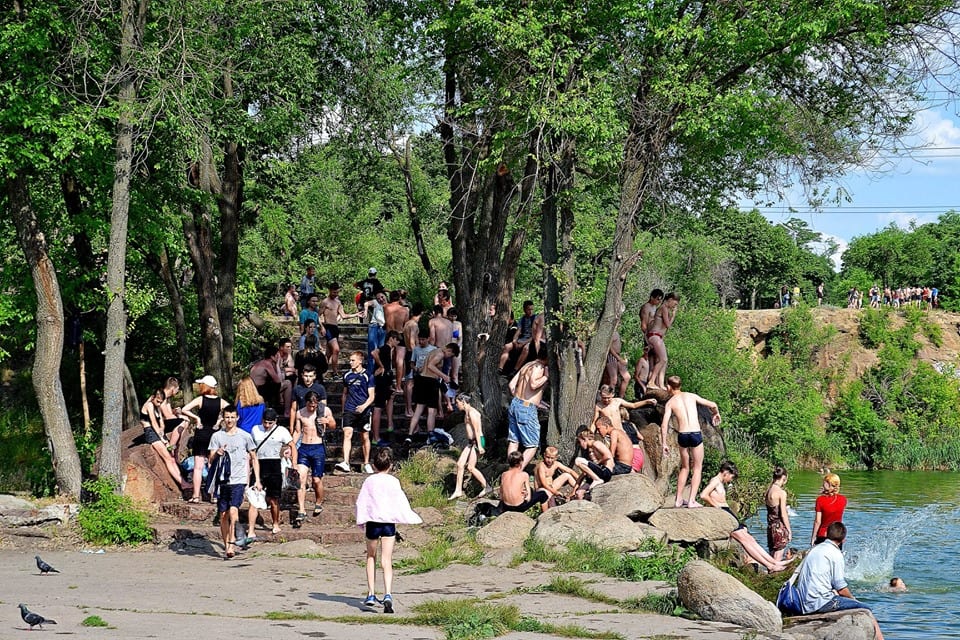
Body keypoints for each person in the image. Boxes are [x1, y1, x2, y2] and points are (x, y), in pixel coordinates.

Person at [355, 447, 422, 614]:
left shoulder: (369, 481)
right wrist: (406, 516)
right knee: (387, 560)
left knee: (371, 556)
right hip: (388, 524)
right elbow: (400, 502)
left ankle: (371, 593)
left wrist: (361, 520)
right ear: (390, 465)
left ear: (374, 464)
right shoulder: (394, 481)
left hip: (372, 523)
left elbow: (361, 502)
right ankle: (388, 594)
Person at [795, 522, 885, 639]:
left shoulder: (815, 549)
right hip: (818, 603)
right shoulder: (835, 554)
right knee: (866, 610)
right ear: (843, 540)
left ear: (827, 534)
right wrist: (854, 600)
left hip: (802, 600)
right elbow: (841, 589)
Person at [700, 461, 788, 573]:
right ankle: (770, 565)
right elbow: (703, 495)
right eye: (731, 476)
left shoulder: (719, 482)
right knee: (744, 540)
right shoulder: (715, 481)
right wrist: (716, 506)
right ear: (726, 472)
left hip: (727, 512)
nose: (731, 480)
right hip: (723, 512)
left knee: (749, 538)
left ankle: (774, 562)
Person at [207, 405, 260, 559]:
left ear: (237, 418)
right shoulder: (217, 437)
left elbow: (254, 458)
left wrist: (257, 480)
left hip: (239, 479)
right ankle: (227, 545)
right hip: (222, 480)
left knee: (233, 510)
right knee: (223, 514)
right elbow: (210, 459)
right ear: (223, 418)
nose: (229, 420)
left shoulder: (245, 436)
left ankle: (231, 542)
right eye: (227, 417)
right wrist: (217, 453)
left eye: (232, 417)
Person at [660, 375, 720, 508]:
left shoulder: (670, 403)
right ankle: (692, 500)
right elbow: (713, 404)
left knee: (685, 467)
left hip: (683, 435)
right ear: (680, 385)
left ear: (669, 387)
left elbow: (664, 424)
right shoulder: (692, 396)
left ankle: (678, 500)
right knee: (697, 467)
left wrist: (664, 443)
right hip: (695, 434)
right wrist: (716, 413)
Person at [180, 375, 228, 503]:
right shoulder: (221, 401)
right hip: (214, 433)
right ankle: (213, 495)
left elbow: (185, 409)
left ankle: (196, 496)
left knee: (198, 467)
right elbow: (232, 411)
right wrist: (220, 420)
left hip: (201, 433)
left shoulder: (201, 400)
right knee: (213, 464)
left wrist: (197, 418)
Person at [292, 390, 336, 526]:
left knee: (316, 480)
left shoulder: (325, 410)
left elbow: (334, 426)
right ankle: (301, 509)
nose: (312, 408)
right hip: (304, 448)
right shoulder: (300, 413)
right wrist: (291, 446)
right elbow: (297, 431)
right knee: (301, 477)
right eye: (310, 405)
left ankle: (318, 501)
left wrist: (328, 421)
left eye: (314, 405)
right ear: (306, 403)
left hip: (318, 448)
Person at [246, 408, 292, 537]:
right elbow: (251, 448)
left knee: (274, 499)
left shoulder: (281, 431)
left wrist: (290, 455)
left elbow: (292, 445)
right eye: (265, 422)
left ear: (275, 422)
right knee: (253, 499)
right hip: (259, 465)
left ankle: (275, 523)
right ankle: (251, 529)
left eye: (270, 423)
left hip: (274, 465)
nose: (267, 425)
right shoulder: (255, 429)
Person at [140, 387, 189, 491]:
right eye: (157, 401)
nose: (159, 404)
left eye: (161, 402)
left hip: (157, 432)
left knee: (171, 458)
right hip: (150, 433)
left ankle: (182, 481)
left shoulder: (156, 406)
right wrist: (163, 440)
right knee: (168, 458)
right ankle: (183, 484)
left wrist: (163, 432)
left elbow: (161, 423)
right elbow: (153, 423)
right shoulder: (149, 405)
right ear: (152, 397)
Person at [506, 350, 549, 470]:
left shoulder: (528, 364)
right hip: (526, 407)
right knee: (532, 445)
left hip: (516, 403)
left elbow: (511, 385)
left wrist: (521, 399)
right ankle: (517, 471)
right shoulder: (539, 367)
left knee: (514, 441)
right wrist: (546, 377)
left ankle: (510, 469)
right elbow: (533, 385)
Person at [407, 341, 457, 437]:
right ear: (449, 351)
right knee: (432, 411)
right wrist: (444, 376)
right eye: (451, 355)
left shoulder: (434, 351)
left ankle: (409, 435)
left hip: (422, 380)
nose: (449, 358)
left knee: (418, 410)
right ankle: (431, 435)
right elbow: (430, 365)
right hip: (430, 382)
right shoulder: (440, 354)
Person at [448, 393, 491, 500]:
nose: (456, 405)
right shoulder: (466, 413)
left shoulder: (472, 413)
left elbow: (477, 430)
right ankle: (458, 490)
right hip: (471, 442)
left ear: (463, 402)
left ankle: (487, 487)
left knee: (470, 467)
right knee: (460, 464)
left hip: (477, 441)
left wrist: (480, 446)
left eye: (457, 403)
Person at [339, 351, 375, 474]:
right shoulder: (347, 376)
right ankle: (346, 462)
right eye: (350, 360)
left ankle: (366, 462)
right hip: (350, 409)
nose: (351, 362)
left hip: (363, 410)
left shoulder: (368, 376)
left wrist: (364, 406)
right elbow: (344, 393)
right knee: (347, 433)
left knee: (364, 436)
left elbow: (371, 396)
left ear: (360, 361)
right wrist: (344, 409)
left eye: (353, 360)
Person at [320, 283, 360, 380]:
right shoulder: (325, 302)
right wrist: (321, 327)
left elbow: (343, 315)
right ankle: (335, 372)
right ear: (329, 290)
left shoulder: (338, 302)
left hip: (335, 328)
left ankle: (321, 371)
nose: (335, 294)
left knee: (329, 353)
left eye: (337, 292)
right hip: (328, 326)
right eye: (334, 292)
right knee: (336, 349)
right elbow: (318, 315)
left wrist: (356, 314)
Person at [371, 331, 400, 445]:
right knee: (378, 408)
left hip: (386, 380)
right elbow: (374, 353)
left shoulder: (390, 351)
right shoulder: (385, 348)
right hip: (381, 381)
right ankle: (376, 437)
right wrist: (381, 366)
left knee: (391, 397)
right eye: (397, 340)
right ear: (391, 339)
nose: (398, 342)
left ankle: (389, 424)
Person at [498, 300, 543, 374]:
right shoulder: (522, 319)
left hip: (531, 340)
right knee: (507, 346)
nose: (531, 311)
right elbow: (518, 331)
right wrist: (515, 341)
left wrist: (524, 343)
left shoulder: (536, 319)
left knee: (526, 349)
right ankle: (500, 368)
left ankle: (515, 370)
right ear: (524, 309)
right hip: (522, 339)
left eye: (532, 309)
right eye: (529, 309)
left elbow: (535, 336)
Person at [499, 450, 549, 514]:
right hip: (519, 507)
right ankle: (545, 516)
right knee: (543, 494)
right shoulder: (524, 474)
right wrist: (525, 496)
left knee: (529, 490)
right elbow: (528, 497)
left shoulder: (504, 474)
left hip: (506, 506)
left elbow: (501, 495)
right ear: (520, 462)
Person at [646, 292, 678, 390]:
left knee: (664, 360)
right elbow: (668, 325)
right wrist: (673, 316)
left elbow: (664, 329)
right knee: (663, 359)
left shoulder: (665, 309)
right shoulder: (663, 308)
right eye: (675, 303)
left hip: (658, 337)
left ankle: (660, 384)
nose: (675, 306)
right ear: (670, 299)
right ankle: (651, 381)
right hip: (654, 336)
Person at [288, 364, 327, 434]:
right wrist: (291, 426)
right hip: (302, 419)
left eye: (310, 376)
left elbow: (323, 407)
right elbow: (293, 409)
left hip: (315, 419)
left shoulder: (320, 388)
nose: (308, 378)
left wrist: (323, 423)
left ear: (314, 377)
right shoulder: (297, 389)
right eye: (306, 376)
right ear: (302, 376)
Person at [383, 290, 410, 391]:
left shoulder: (386, 307)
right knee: (400, 360)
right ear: (399, 298)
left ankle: (389, 384)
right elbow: (406, 325)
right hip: (400, 334)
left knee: (388, 359)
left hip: (390, 334)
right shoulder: (405, 310)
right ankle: (398, 385)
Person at [811, 472, 847, 546]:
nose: (822, 484)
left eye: (824, 482)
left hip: (823, 535)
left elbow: (818, 521)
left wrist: (813, 537)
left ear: (829, 484)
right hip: (837, 535)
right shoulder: (843, 499)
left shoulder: (820, 500)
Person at [765, 466, 792, 562]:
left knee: (771, 556)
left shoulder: (768, 491)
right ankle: (773, 576)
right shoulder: (781, 493)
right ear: (784, 478)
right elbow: (783, 514)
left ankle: (768, 574)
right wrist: (789, 531)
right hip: (778, 528)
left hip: (770, 526)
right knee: (777, 559)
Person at [250, 346, 284, 412]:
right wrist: (277, 364)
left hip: (257, 388)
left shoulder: (263, 362)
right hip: (257, 389)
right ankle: (284, 409)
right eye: (277, 355)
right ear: (272, 357)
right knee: (287, 384)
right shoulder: (267, 364)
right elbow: (278, 380)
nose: (279, 357)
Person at [364, 291, 388, 375]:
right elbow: (366, 303)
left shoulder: (390, 306)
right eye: (378, 298)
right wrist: (365, 311)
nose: (380, 299)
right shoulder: (376, 303)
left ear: (385, 296)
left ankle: (380, 371)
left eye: (382, 297)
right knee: (372, 349)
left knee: (381, 350)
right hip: (374, 326)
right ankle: (370, 373)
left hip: (384, 328)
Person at [603, 330, 631, 397]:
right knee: (614, 380)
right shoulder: (611, 332)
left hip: (618, 355)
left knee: (627, 377)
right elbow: (609, 347)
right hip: (612, 356)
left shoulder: (616, 332)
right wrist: (619, 358)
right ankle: (609, 398)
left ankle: (620, 398)